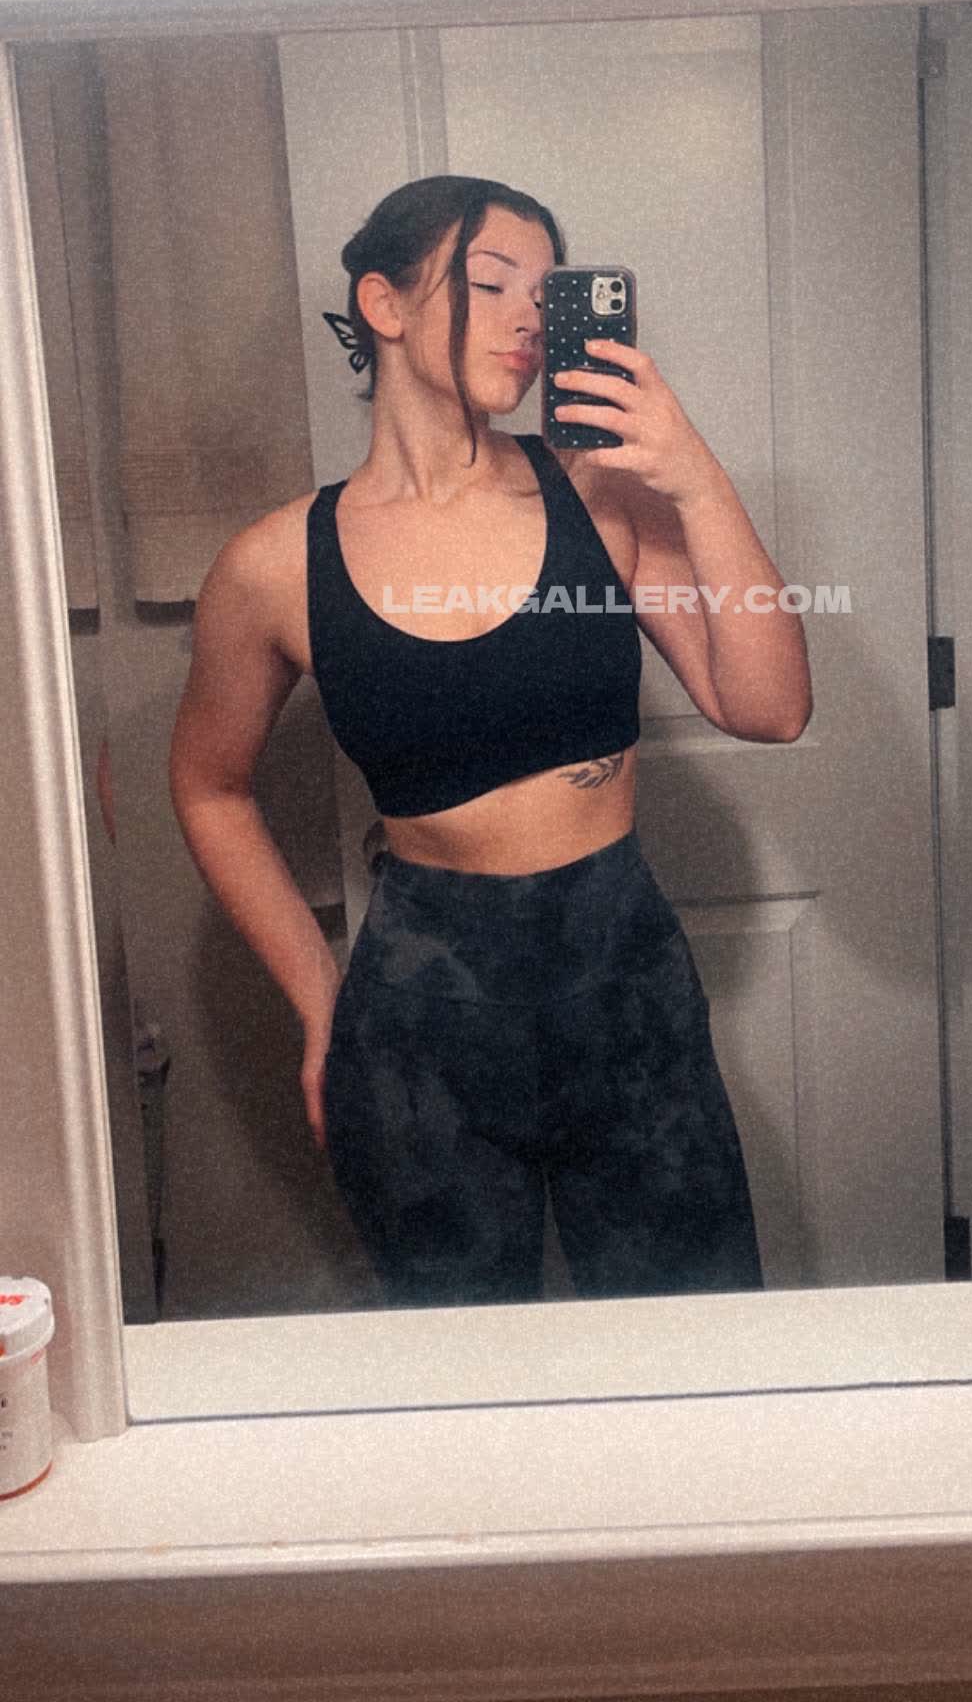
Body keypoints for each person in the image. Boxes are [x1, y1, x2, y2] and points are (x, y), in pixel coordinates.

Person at [169, 174, 812, 1308]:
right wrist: (321, 1002)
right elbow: (209, 786)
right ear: (384, 302)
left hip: (625, 990)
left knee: (694, 1343)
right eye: (491, 282)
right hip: (420, 1023)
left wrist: (694, 475)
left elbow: (769, 706)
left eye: (545, 293)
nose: (528, 318)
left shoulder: (597, 494)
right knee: (459, 1365)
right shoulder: (272, 565)